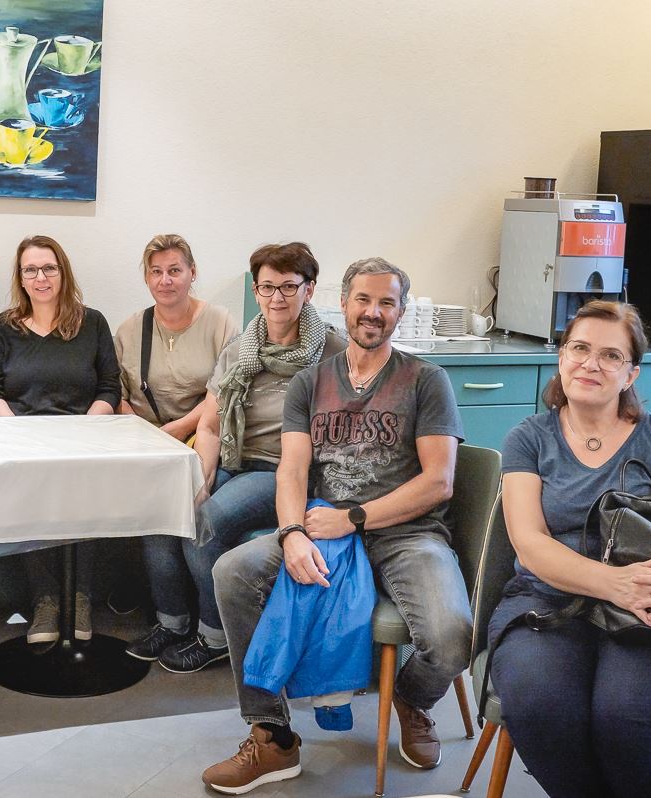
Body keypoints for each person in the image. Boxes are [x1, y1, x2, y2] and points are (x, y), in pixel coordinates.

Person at [202, 257, 471, 795]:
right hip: (323, 524)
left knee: (450, 637)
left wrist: (355, 518)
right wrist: (291, 534)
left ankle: (411, 701)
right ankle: (272, 736)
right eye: (363, 300)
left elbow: (438, 482)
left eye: (387, 302)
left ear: (400, 311)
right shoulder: (311, 382)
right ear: (343, 304)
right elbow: (292, 470)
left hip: (406, 534)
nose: (373, 312)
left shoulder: (426, 380)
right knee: (232, 571)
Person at [489, 300, 651, 798]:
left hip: (649, 611)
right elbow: (530, 543)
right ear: (561, 357)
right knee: (541, 705)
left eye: (611, 356)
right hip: (549, 601)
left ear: (631, 374)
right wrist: (616, 584)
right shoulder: (529, 438)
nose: (591, 364)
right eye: (579, 348)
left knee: (626, 714)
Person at [154, 242, 346, 675]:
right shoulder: (242, 347)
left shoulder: (332, 354)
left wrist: (208, 497)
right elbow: (209, 425)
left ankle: (216, 637)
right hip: (233, 458)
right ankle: (172, 622)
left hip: (284, 471)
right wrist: (202, 479)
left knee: (207, 522)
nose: (277, 298)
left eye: (288, 287)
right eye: (267, 287)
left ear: (309, 290)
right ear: (256, 291)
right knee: (167, 507)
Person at [0, 234, 121, 644]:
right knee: (34, 506)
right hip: (23, 441)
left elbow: (109, 388)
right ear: (20, 277)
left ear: (63, 273)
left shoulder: (92, 322)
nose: (40, 278)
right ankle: (44, 599)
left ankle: (79, 597)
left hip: (83, 440)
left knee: (83, 503)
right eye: (31, 270)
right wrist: (20, 434)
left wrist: (85, 431)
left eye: (49, 268)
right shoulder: (2, 328)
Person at [114, 235, 238, 663]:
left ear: (192, 273)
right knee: (156, 521)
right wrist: (145, 435)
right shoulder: (131, 329)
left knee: (195, 519)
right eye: (156, 272)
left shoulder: (220, 323)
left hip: (207, 442)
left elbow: (224, 393)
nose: (165, 281)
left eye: (174, 271)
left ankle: (212, 633)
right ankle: (171, 622)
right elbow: (118, 394)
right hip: (153, 449)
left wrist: (177, 429)